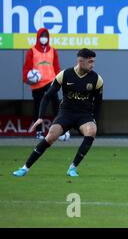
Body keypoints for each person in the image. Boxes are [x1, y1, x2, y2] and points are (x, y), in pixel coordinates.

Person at [13, 49, 103, 177]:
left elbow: (99, 102)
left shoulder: (97, 79)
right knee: (51, 136)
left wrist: (94, 120)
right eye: (90, 62)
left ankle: (73, 168)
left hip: (84, 115)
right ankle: (24, 168)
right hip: (66, 113)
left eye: (93, 62)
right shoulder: (64, 75)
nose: (92, 65)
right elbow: (46, 96)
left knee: (92, 131)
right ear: (80, 61)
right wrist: (40, 117)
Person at [22, 28, 61, 140]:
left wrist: (59, 80)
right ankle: (39, 132)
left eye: (46, 36)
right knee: (38, 108)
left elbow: (57, 67)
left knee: (56, 106)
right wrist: (27, 79)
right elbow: (26, 68)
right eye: (42, 36)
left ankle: (60, 131)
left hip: (51, 82)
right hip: (37, 84)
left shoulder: (53, 51)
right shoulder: (32, 51)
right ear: (38, 37)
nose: (44, 38)